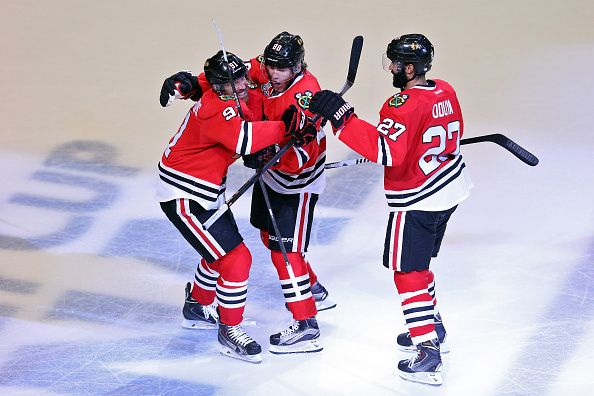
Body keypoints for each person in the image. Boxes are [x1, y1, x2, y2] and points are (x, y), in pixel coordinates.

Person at [309, 34, 473, 385]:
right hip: (450, 190)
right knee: (421, 263)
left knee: (407, 272)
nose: (393, 70)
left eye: (396, 64)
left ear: (410, 68)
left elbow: (386, 151)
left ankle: (428, 352)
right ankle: (432, 324)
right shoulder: (444, 90)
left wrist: (343, 119)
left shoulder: (401, 104)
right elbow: (430, 134)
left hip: (418, 198)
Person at [160, 32, 335, 355]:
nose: (264, 76)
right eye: (269, 66)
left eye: (281, 67)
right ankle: (229, 327)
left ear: (298, 65)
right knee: (240, 255)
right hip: (188, 191)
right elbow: (244, 137)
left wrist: (280, 150)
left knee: (280, 250)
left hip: (294, 182)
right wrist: (194, 84)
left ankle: (306, 319)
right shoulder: (224, 103)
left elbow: (299, 158)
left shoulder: (300, 94)